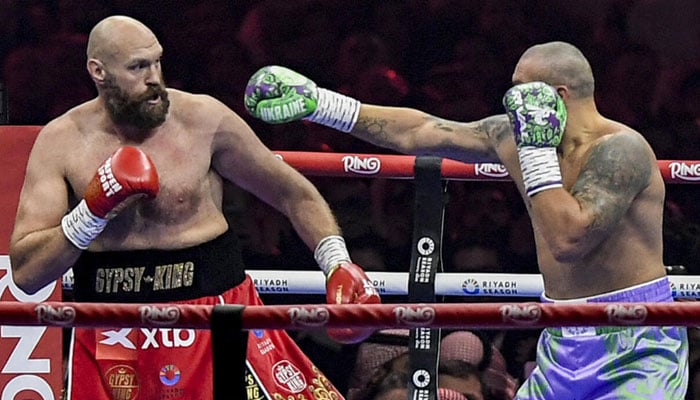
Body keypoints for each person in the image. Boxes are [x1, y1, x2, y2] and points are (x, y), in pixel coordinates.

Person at [244, 41, 689, 399]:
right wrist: (323, 104)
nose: (512, 104)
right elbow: (421, 130)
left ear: (558, 97)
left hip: (634, 337)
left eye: (521, 92)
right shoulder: (513, 136)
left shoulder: (621, 151)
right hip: (561, 337)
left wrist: (534, 154)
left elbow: (568, 238)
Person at [8, 15, 380, 400]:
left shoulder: (203, 119)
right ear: (98, 71)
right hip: (112, 331)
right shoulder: (60, 142)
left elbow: (292, 192)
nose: (154, 77)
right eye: (138, 67)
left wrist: (336, 261)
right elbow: (27, 274)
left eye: (157, 61)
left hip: (216, 317)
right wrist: (91, 214)